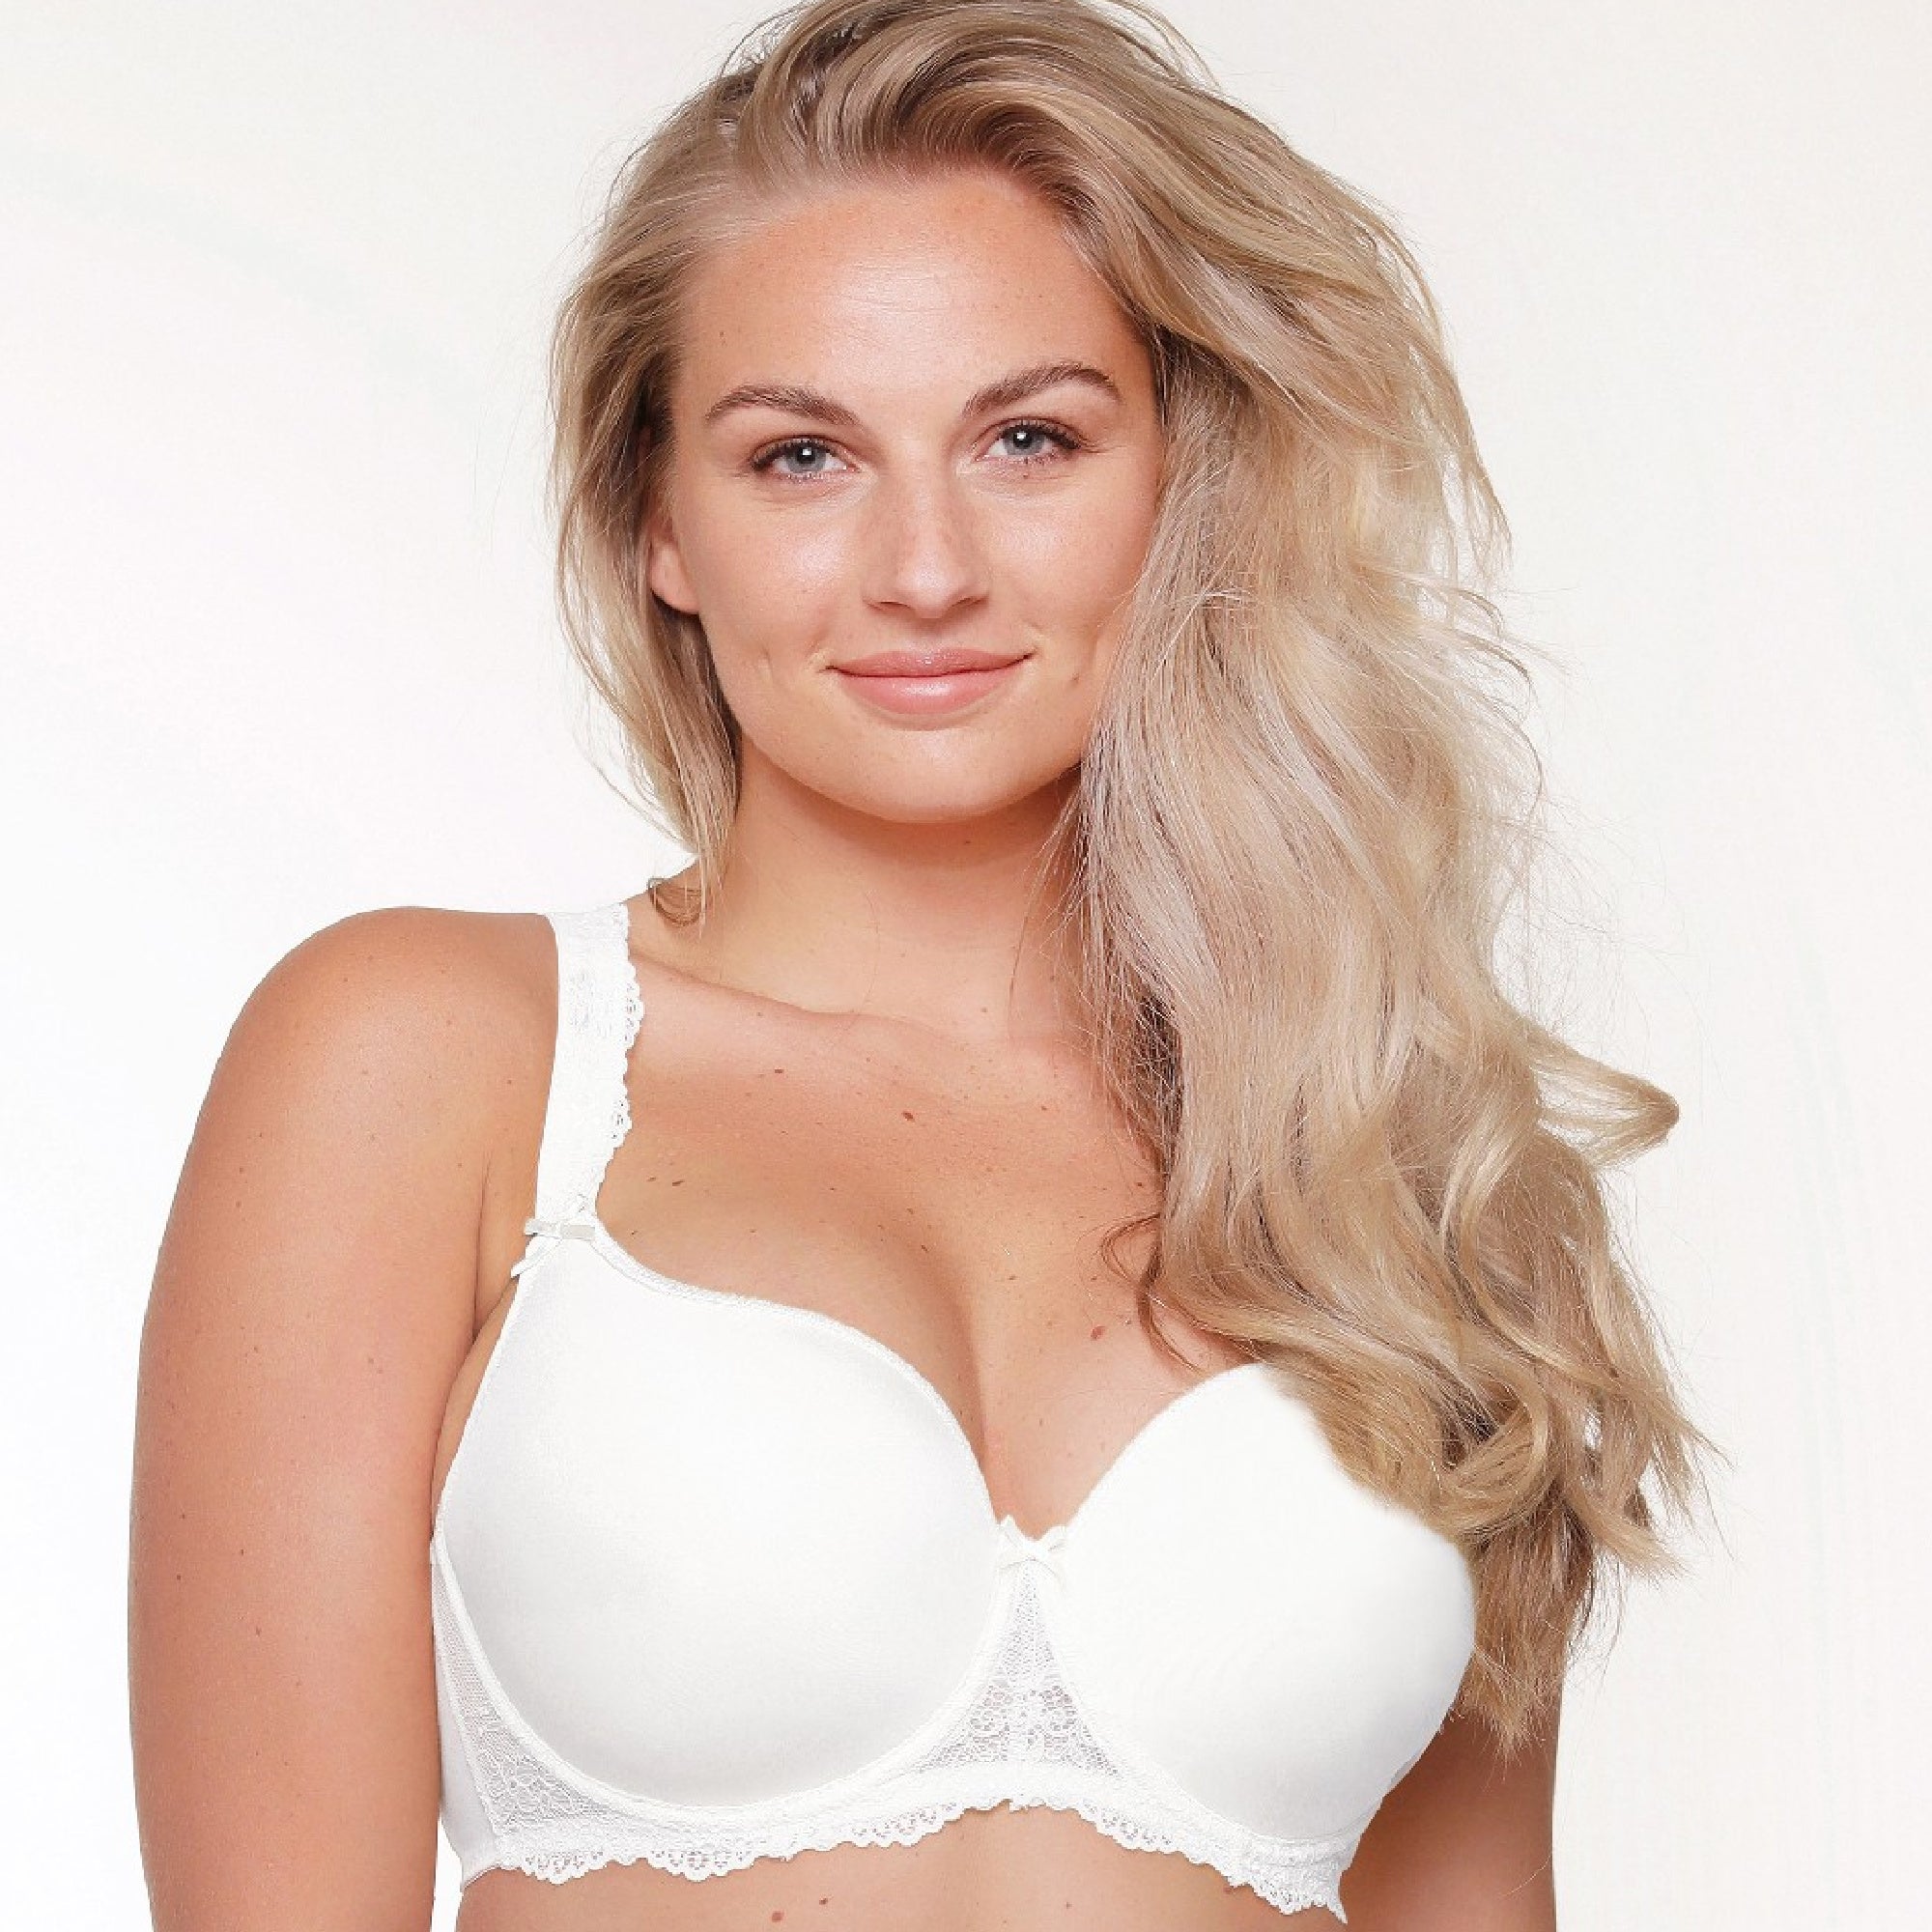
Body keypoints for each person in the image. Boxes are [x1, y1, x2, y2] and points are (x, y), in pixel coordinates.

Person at [128, 1, 1714, 1925]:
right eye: (802, 455)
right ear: (661, 521)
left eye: (1029, 439)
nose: (927, 570)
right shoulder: (426, 1063)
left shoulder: (1405, 1169)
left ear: (1182, 476)